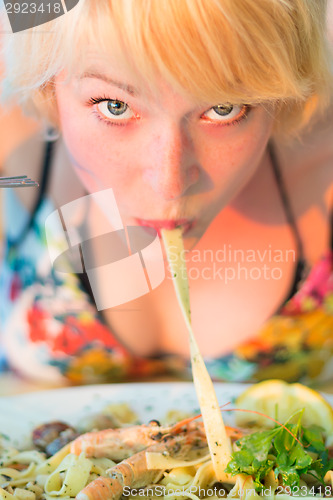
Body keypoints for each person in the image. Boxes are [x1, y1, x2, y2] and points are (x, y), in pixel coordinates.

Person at [0, 0, 332, 386]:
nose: (170, 183)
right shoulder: (11, 155)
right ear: (48, 83)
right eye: (115, 106)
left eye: (224, 108)